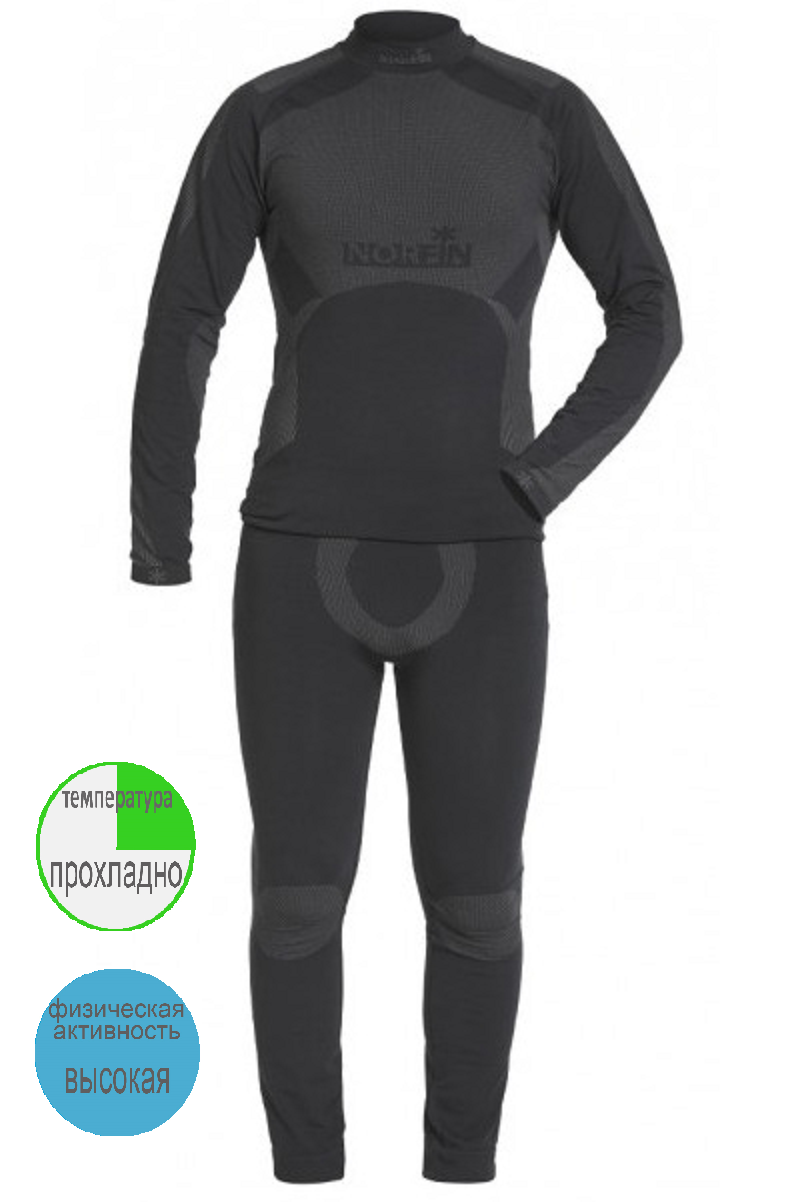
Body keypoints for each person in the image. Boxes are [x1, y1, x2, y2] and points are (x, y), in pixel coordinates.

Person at [129, 10, 682, 1183]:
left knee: (477, 900)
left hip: (486, 562)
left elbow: (649, 310)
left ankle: (461, 1167)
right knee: (296, 897)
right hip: (297, 561)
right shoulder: (266, 113)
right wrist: (159, 537)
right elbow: (185, 312)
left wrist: (543, 474)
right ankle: (305, 1167)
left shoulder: (543, 113)